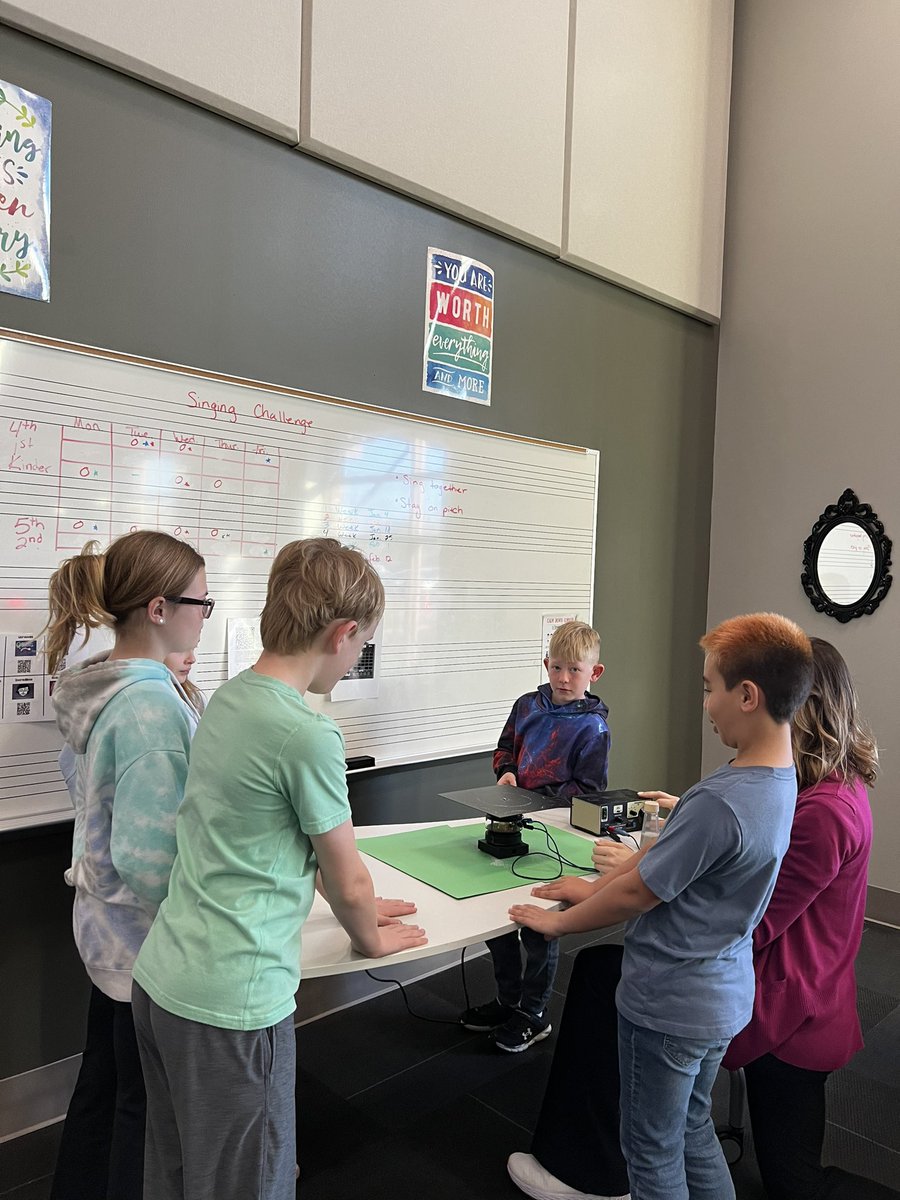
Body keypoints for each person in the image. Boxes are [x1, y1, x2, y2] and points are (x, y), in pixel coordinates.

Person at [131, 537, 428, 1200]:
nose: (354, 660)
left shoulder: (231, 698)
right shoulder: (306, 732)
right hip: (230, 1008)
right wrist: (369, 935)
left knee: (177, 1175)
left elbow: (272, 832)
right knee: (248, 1184)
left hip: (161, 982)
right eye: (361, 646)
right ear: (344, 633)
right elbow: (348, 874)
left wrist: (359, 905)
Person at [508, 612, 813, 1200]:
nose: (706, 704)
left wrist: (559, 922)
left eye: (709, 689)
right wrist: (590, 887)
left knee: (649, 1151)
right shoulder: (779, 779)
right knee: (693, 1128)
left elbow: (637, 890)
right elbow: (679, 870)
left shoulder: (721, 800)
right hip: (722, 995)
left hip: (669, 1003)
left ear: (747, 695)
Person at [45, 531, 211, 1200]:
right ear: (160, 607)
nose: (208, 611)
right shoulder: (147, 707)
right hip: (146, 944)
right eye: (202, 599)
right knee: (142, 1114)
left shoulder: (109, 689)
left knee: (106, 1088)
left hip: (109, 935)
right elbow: (151, 861)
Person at [723, 638, 898, 1200]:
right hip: (808, 989)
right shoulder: (829, 785)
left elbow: (754, 921)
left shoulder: (823, 814)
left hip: (793, 1010)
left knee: (794, 1184)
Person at [460, 619, 610, 1053]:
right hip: (510, 819)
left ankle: (534, 1012)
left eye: (574, 670)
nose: (564, 679)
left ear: (593, 674)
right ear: (546, 664)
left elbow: (589, 790)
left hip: (554, 833)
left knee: (540, 928)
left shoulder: (594, 728)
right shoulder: (527, 705)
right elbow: (505, 747)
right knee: (498, 915)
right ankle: (508, 1000)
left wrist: (541, 802)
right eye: (557, 668)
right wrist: (506, 772)